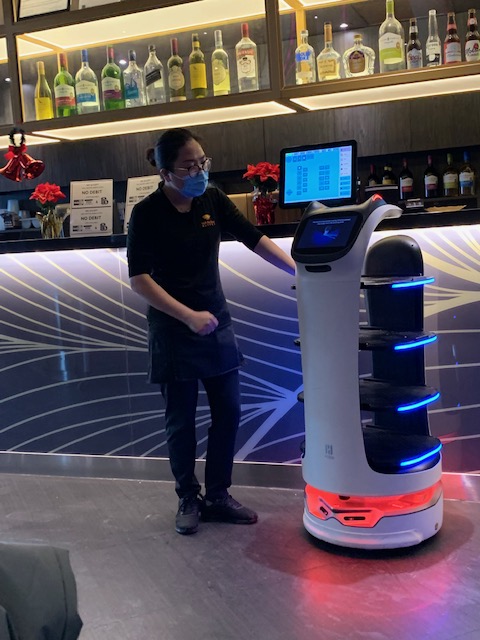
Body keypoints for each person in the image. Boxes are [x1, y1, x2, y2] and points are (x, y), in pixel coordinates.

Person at [127, 128, 295, 535]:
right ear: (165, 173)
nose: (199, 171)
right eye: (189, 166)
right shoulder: (147, 213)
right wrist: (187, 316)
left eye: (202, 162)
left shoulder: (212, 199)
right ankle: (188, 496)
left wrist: (299, 271)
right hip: (174, 327)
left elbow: (253, 238)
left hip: (215, 322)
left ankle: (218, 495)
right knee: (181, 420)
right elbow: (139, 279)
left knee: (229, 411)